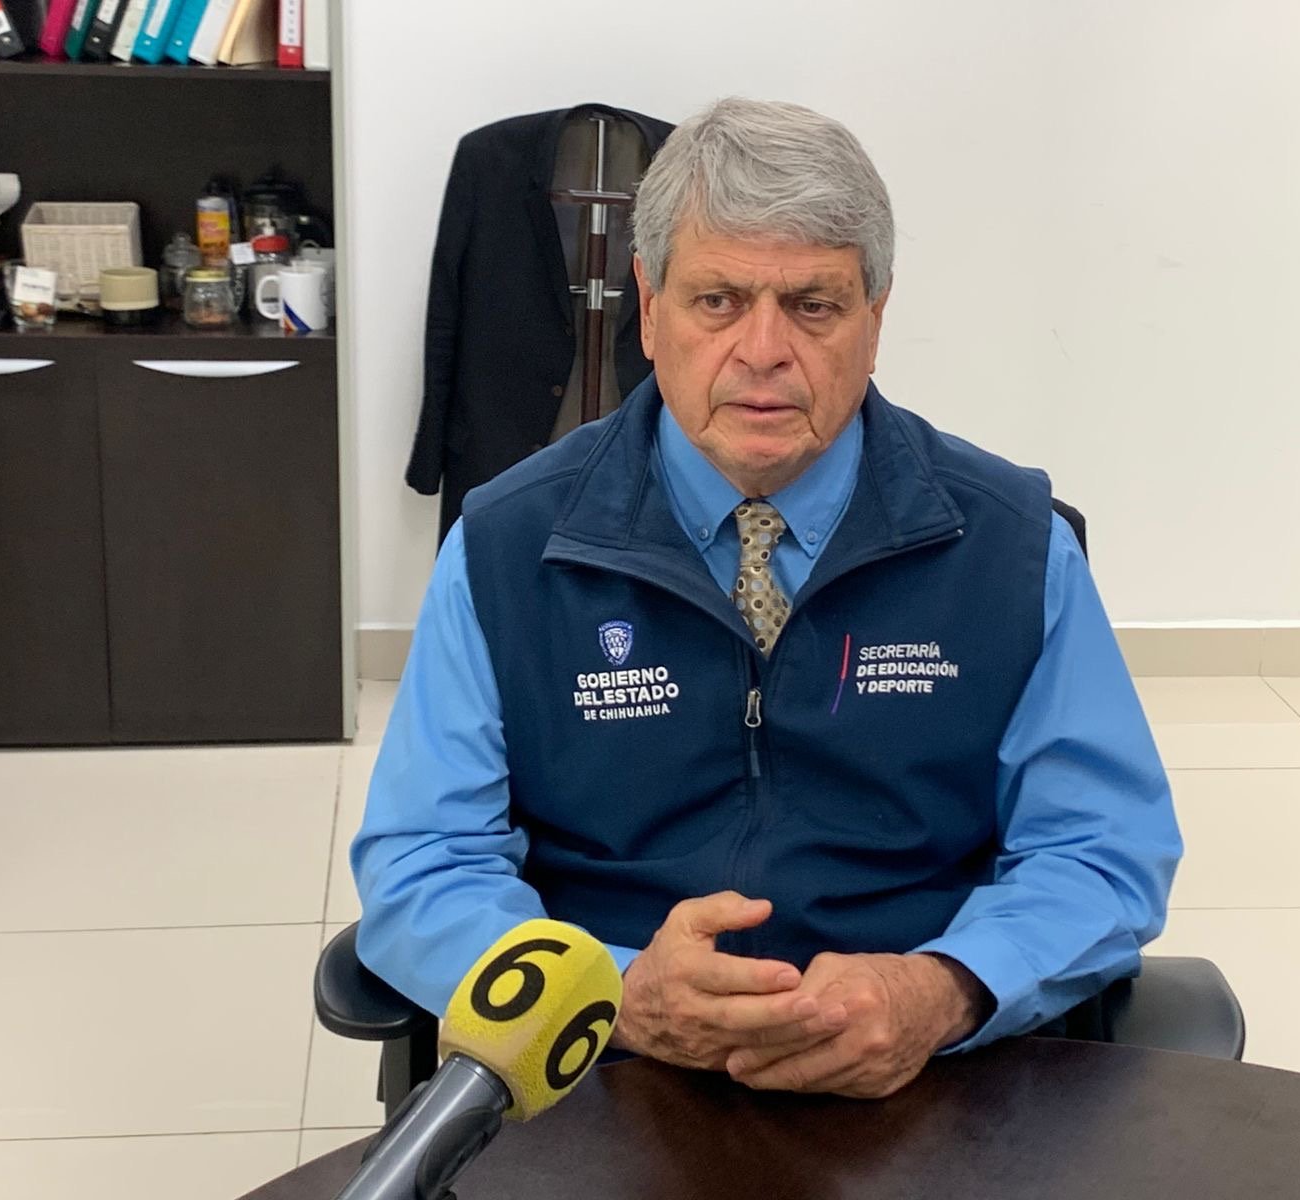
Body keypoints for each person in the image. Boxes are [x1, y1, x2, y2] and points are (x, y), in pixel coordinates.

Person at [352, 97, 1182, 1100]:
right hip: (602, 1064)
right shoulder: (507, 545)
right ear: (649, 306)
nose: (762, 350)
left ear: (875, 320)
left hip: (927, 1072)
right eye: (718, 300)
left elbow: (1100, 849)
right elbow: (423, 865)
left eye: (813, 305)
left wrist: (945, 989)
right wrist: (619, 995)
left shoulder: (1012, 546)